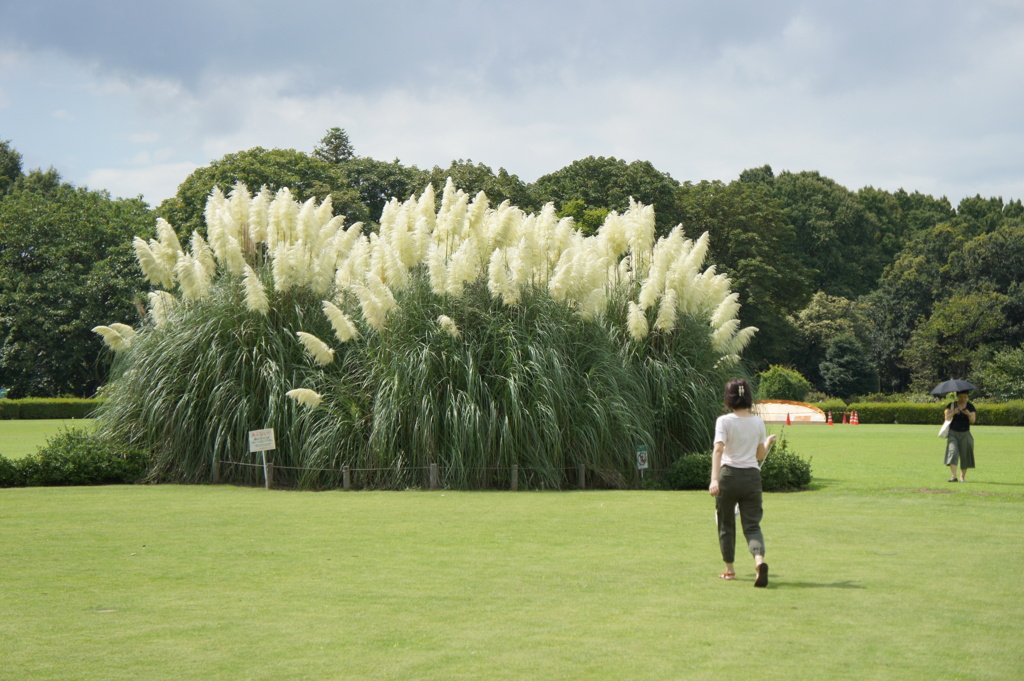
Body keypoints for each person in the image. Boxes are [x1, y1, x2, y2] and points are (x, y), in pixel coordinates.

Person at [709, 378, 776, 587]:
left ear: (728, 398)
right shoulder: (757, 422)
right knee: (752, 525)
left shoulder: (724, 421)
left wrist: (713, 479)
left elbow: (719, 450)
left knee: (726, 524)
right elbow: (760, 454)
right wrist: (768, 442)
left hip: (729, 476)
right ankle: (759, 562)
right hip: (751, 478)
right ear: (748, 397)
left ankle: (729, 570)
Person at [944, 390, 976, 482]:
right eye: (961, 397)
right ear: (957, 396)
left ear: (967, 396)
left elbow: (973, 421)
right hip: (953, 433)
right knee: (952, 452)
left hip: (965, 433)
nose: (963, 399)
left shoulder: (970, 406)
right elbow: (946, 418)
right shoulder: (951, 405)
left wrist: (968, 414)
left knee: (965, 455)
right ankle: (954, 476)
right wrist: (953, 413)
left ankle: (962, 477)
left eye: (965, 397)